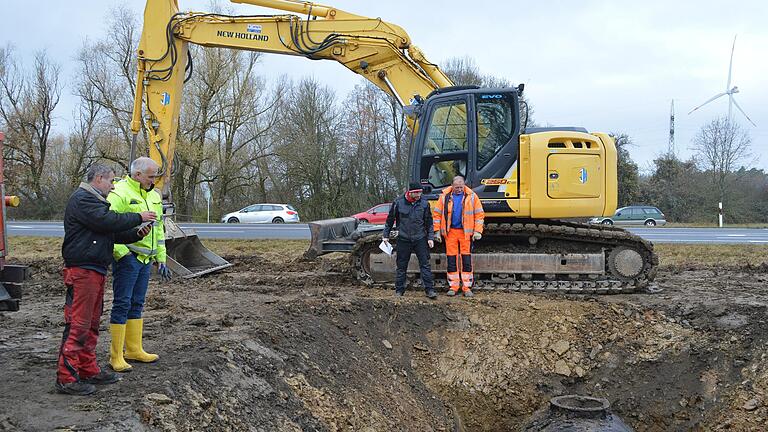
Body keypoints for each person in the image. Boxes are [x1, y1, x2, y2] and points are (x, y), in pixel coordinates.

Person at [57, 164, 156, 396]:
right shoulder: (83, 200)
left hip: (94, 268)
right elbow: (107, 222)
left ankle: (88, 368)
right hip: (83, 270)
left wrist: (135, 233)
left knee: (91, 322)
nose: (113, 187)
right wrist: (137, 217)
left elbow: (108, 231)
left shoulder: (93, 201)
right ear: (99, 178)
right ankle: (66, 377)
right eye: (111, 181)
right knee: (79, 323)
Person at [107, 157, 172, 372]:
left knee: (137, 304)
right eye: (151, 176)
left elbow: (159, 229)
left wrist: (161, 257)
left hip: (145, 260)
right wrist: (122, 254)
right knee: (122, 303)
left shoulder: (154, 195)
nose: (154, 180)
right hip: (129, 258)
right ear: (137, 175)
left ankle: (134, 349)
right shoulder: (120, 192)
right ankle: (116, 356)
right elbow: (107, 225)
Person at [382, 182, 437, 299]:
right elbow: (390, 219)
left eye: (420, 192)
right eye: (416, 193)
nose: (419, 195)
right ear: (410, 192)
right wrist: (385, 235)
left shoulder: (424, 203)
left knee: (425, 265)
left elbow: (429, 222)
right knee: (401, 266)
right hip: (403, 238)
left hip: (420, 238)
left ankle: (430, 290)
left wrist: (430, 237)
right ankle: (399, 291)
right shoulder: (398, 202)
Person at [433, 176, 484, 297]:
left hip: (465, 233)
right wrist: (437, 231)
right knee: (451, 259)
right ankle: (453, 286)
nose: (459, 189)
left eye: (461, 187)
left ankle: (466, 287)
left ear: (464, 185)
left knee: (466, 259)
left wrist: (478, 231)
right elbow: (437, 214)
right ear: (452, 186)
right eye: (457, 187)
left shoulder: (472, 196)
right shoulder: (444, 196)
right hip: (450, 233)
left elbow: (479, 214)